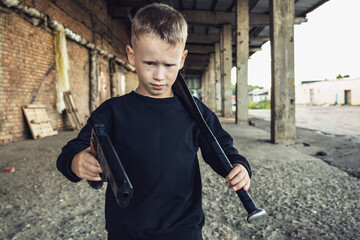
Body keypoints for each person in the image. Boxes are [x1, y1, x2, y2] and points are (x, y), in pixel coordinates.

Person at [57, 3, 251, 240]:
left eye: (169, 65)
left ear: (182, 59)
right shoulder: (113, 112)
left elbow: (221, 148)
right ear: (131, 55)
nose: (159, 75)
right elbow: (71, 151)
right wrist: (76, 161)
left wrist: (239, 166)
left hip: (184, 228)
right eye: (150, 63)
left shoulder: (195, 112)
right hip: (127, 230)